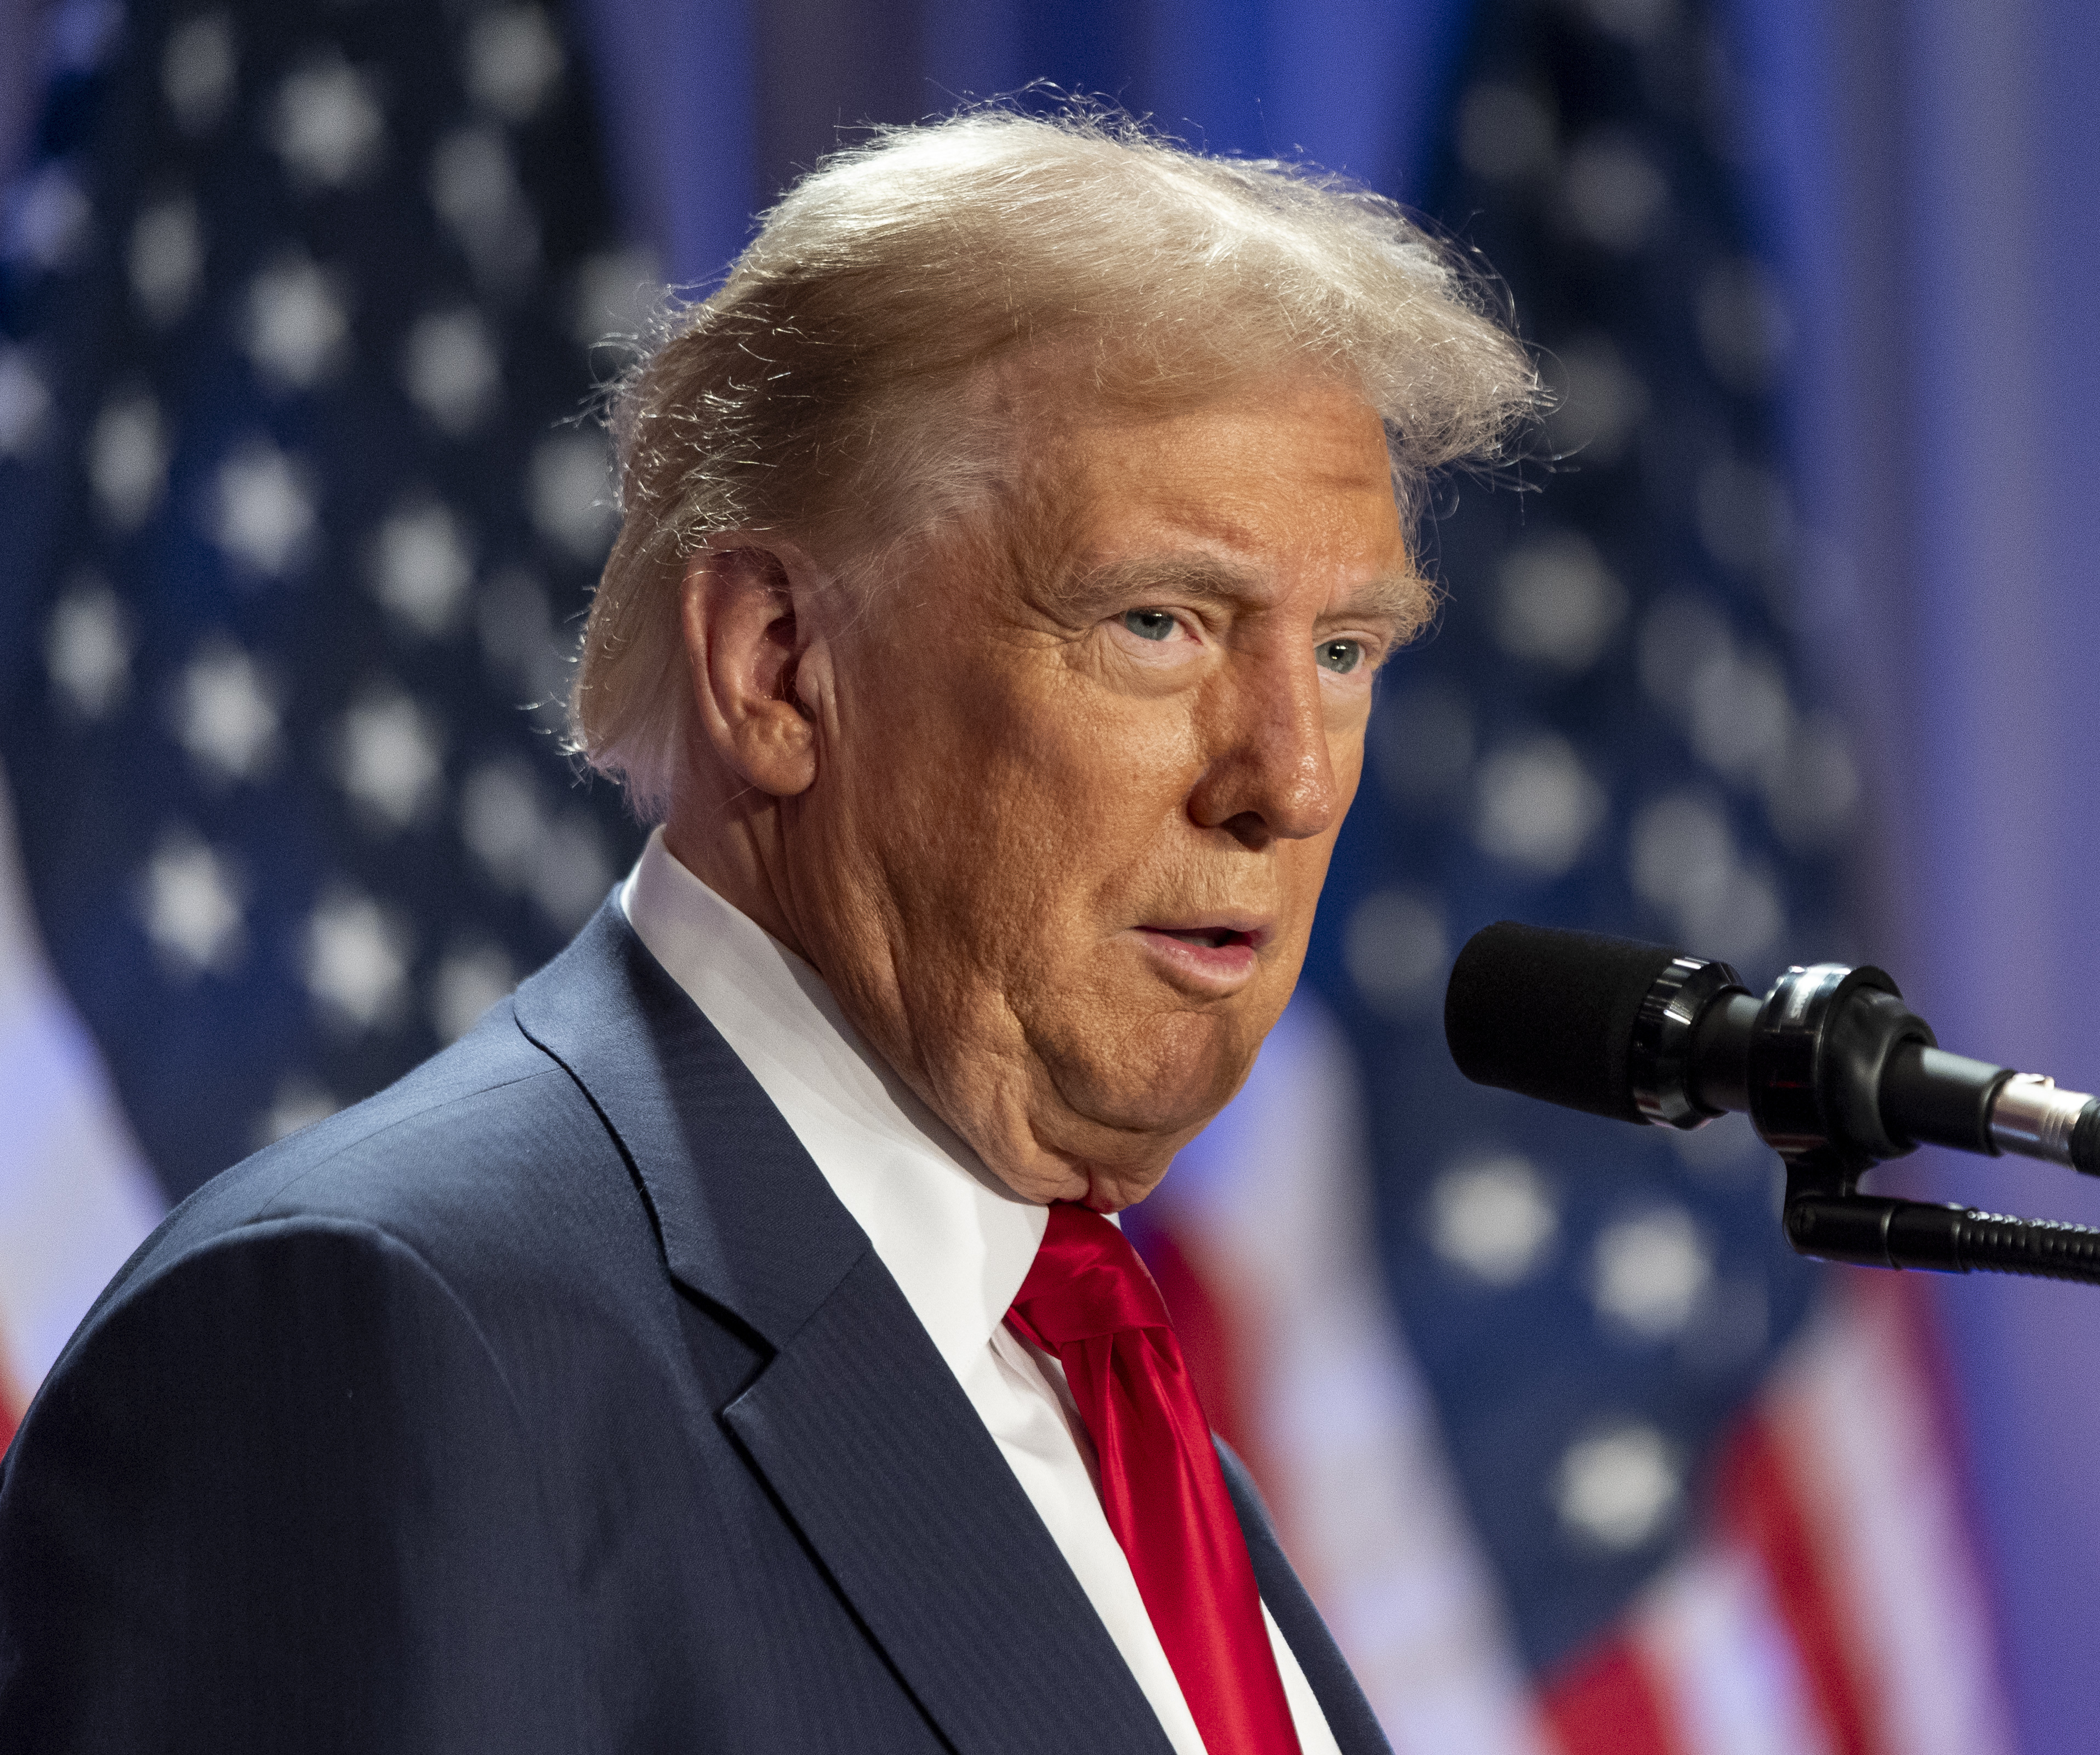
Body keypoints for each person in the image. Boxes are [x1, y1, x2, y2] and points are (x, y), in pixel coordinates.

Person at [0, 111, 1539, 1752]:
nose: (1289, 782)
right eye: (1157, 623)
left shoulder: (1099, 1388)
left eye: (1346, 651)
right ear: (774, 663)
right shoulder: (371, 1342)